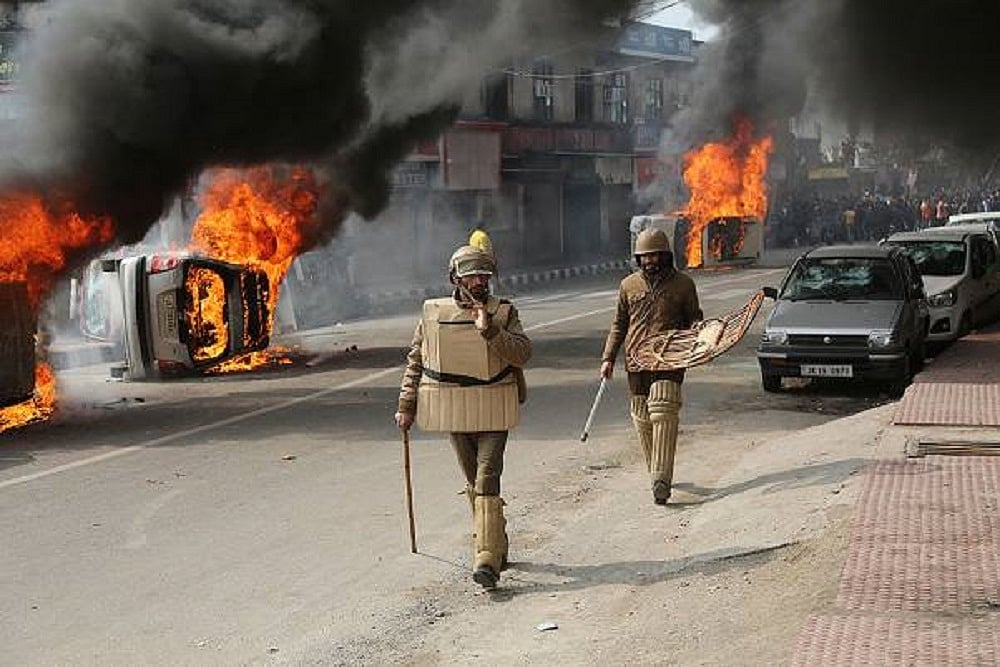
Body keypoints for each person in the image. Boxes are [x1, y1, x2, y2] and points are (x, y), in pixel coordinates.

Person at [394, 244, 531, 589]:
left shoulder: (503, 313)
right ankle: (497, 541)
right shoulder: (433, 314)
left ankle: (485, 559)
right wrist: (406, 405)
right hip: (452, 405)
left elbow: (522, 353)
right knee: (473, 481)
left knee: (487, 476)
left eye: (484, 276)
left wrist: (490, 330)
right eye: (472, 276)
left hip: (495, 402)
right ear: (456, 278)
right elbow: (417, 361)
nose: (479, 282)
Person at [600, 228, 702, 505]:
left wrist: (702, 342)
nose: (651, 261)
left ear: (666, 255)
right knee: (643, 418)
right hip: (635, 361)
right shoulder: (628, 285)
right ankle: (656, 471)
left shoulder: (683, 284)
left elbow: (695, 321)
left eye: (656, 255)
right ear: (638, 258)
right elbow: (619, 324)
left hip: (671, 358)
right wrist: (608, 358)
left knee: (664, 410)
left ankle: (661, 480)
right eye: (646, 256)